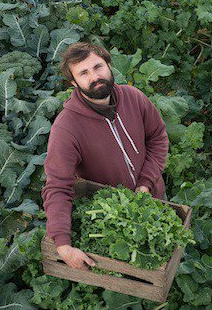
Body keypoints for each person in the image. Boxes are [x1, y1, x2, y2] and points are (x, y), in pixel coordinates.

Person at [42, 42, 169, 270]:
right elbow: (58, 186)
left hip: (152, 197)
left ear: (109, 65)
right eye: (84, 73)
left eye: (98, 67)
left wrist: (146, 183)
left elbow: (157, 138)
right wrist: (62, 244)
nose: (95, 77)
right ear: (73, 82)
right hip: (111, 218)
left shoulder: (134, 97)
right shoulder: (66, 128)